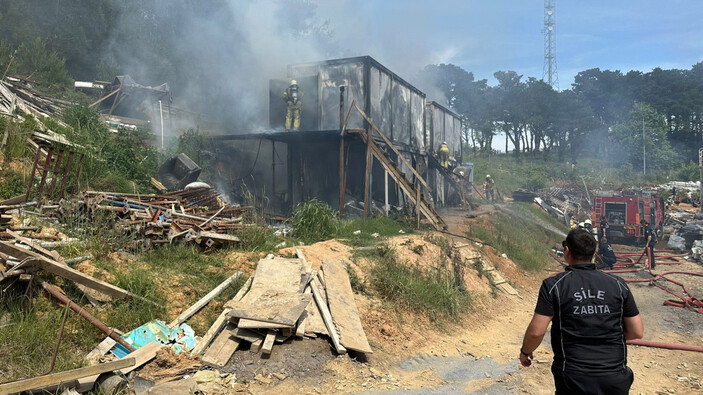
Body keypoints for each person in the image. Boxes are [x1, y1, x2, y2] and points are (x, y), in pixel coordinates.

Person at [519, 228, 644, 395]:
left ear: (567, 251)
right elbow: (637, 332)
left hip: (573, 379)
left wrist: (525, 352)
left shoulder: (554, 285)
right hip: (614, 378)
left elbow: (536, 332)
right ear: (595, 252)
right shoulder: (618, 284)